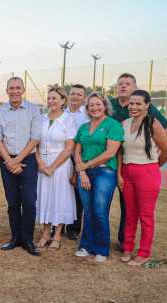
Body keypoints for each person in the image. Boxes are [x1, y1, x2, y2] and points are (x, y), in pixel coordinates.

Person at [109, 73, 167, 251]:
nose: (123, 86)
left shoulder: (149, 115)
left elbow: (166, 144)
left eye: (127, 83)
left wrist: (153, 164)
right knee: (122, 209)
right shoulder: (114, 111)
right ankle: (122, 244)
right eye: (120, 83)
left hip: (143, 169)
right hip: (117, 165)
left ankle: (133, 246)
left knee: (139, 212)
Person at [0, 77, 42, 256]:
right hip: (7, 160)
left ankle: (27, 240)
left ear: (23, 89)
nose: (14, 91)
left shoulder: (34, 110)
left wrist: (18, 160)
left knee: (29, 202)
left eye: (17, 88)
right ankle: (15, 238)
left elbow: (35, 138)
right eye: (11, 88)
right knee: (13, 203)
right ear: (7, 91)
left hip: (27, 160)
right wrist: (9, 161)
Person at [74, 93, 124, 263]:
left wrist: (86, 167)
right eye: (91, 106)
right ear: (87, 109)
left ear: (105, 105)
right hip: (84, 173)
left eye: (98, 104)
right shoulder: (83, 127)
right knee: (87, 211)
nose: (94, 108)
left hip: (104, 172)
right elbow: (76, 151)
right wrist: (81, 172)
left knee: (99, 211)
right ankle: (85, 246)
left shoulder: (113, 125)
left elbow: (110, 153)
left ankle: (101, 248)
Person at [35, 86, 77, 250]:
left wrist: (52, 167)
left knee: (59, 197)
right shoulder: (42, 119)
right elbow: (35, 143)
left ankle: (57, 234)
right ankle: (45, 233)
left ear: (63, 101)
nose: (51, 101)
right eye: (49, 98)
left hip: (60, 164)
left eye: (55, 98)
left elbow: (69, 148)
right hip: (42, 164)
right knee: (44, 197)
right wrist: (40, 163)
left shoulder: (68, 120)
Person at [64, 84, 89, 240]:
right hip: (62, 157)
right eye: (72, 93)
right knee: (61, 191)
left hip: (79, 157)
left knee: (78, 194)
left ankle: (73, 228)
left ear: (84, 98)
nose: (75, 97)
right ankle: (56, 224)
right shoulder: (61, 113)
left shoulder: (87, 115)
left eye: (79, 94)